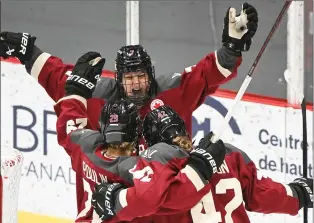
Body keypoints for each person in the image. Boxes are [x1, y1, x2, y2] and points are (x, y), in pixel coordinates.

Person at [0, 3, 258, 152]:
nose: (136, 85)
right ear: (118, 79)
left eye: (141, 76)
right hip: (116, 199)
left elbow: (207, 73)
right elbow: (60, 78)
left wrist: (231, 48)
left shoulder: (172, 91)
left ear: (151, 75)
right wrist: (27, 52)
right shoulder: (98, 93)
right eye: (129, 78)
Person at [54, 52, 227, 222]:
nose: (136, 85)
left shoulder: (85, 147)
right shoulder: (136, 167)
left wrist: (74, 92)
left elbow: (68, 128)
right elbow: (162, 200)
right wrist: (200, 167)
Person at [92, 105, 314, 223]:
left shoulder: (160, 166)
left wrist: (115, 202)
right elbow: (261, 194)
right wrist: (298, 193)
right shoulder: (229, 155)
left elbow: (146, 204)